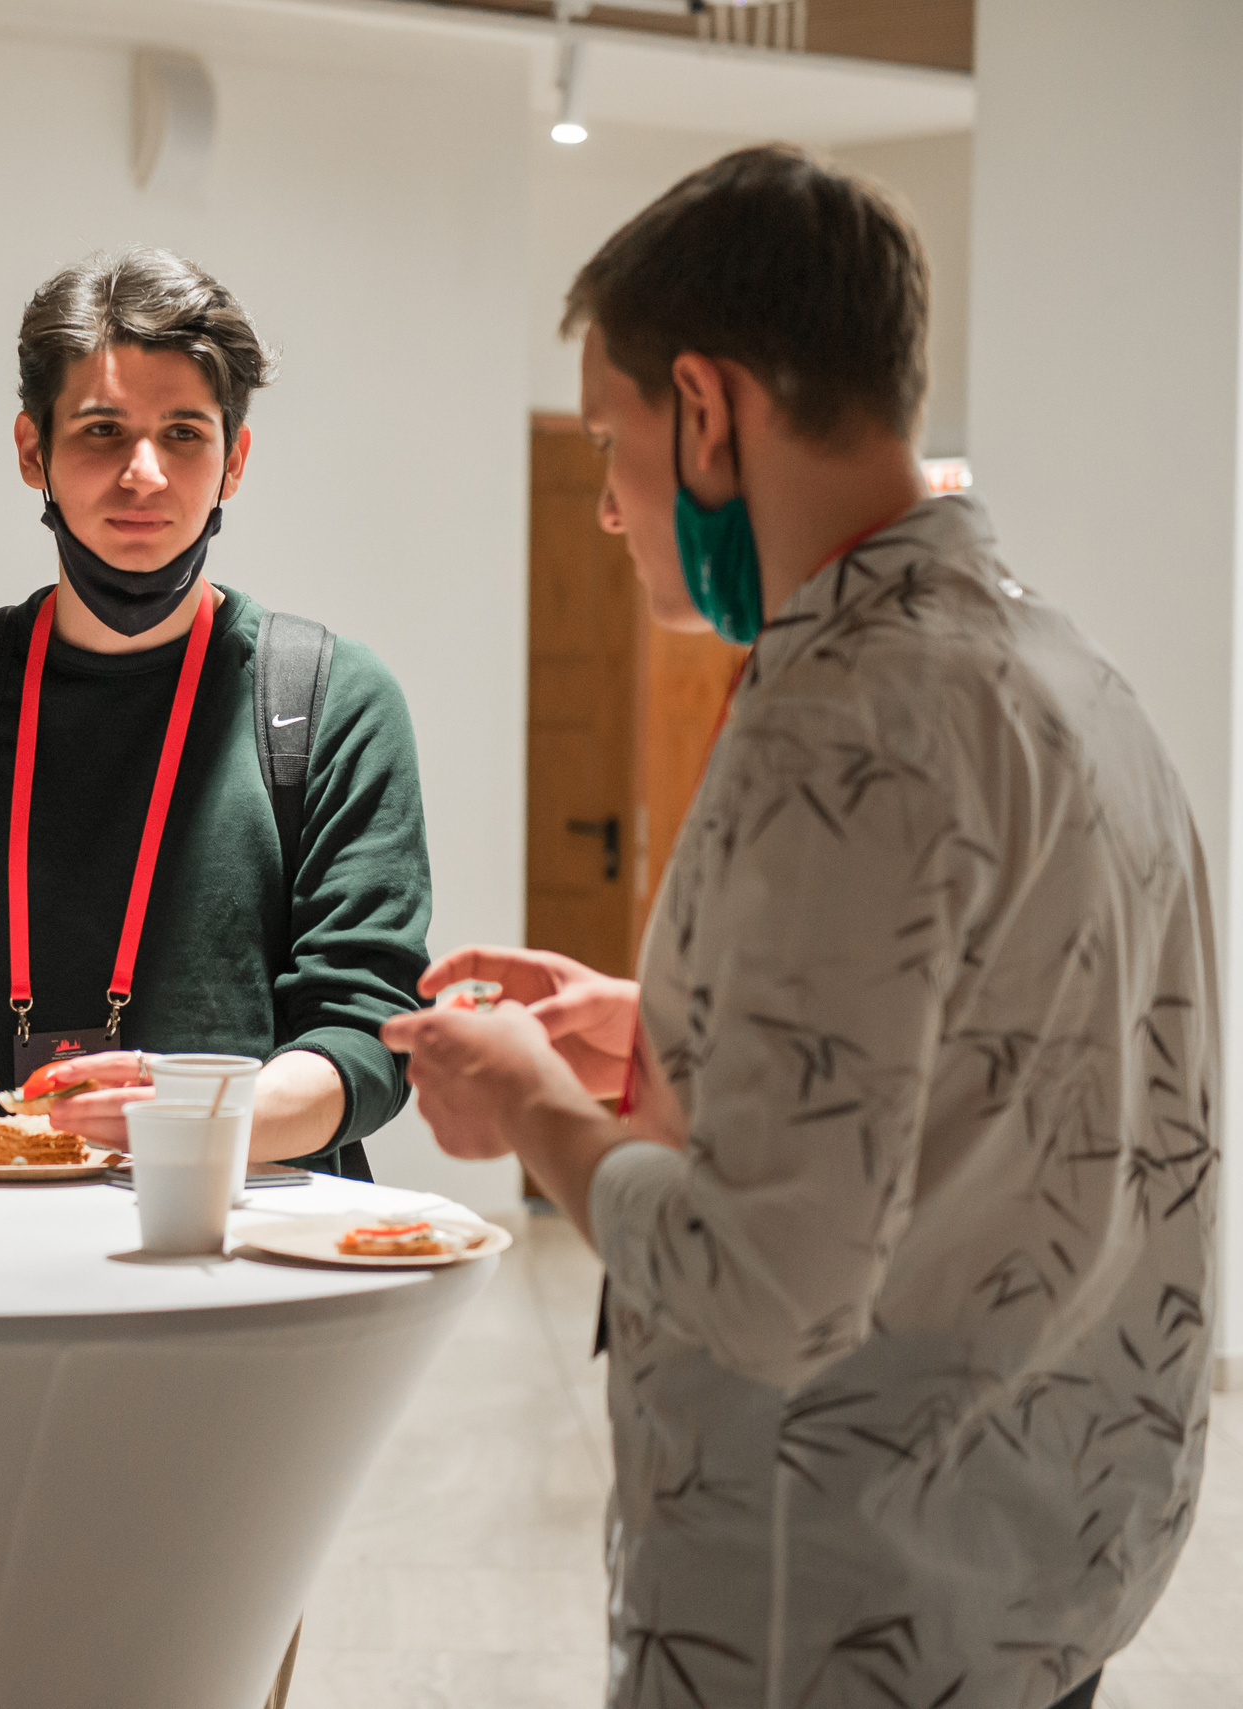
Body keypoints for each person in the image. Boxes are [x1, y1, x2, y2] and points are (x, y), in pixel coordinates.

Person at [380, 145, 1211, 1709]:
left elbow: (769, 1286)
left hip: (834, 1611)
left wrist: (535, 1105)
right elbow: (1000, 1049)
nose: (613, 512)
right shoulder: (1062, 667)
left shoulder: (840, 714)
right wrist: (662, 1025)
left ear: (706, 408)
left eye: (610, 445)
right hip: (1041, 1565)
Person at [0, 247, 430, 1174]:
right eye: (102, 430)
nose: (144, 473)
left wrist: (190, 1116)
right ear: (35, 450)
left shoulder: (327, 704)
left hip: (245, 1265)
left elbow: (368, 1034)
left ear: (234, 460)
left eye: (185, 433)